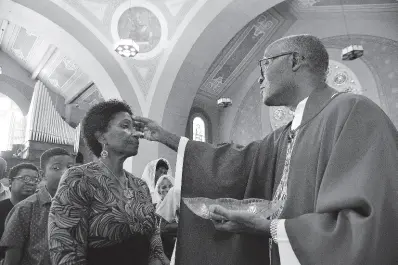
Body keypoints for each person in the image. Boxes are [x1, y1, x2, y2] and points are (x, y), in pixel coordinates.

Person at [133, 34, 398, 265]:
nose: (260, 78)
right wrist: (165, 137)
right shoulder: (286, 134)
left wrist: (271, 228)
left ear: (295, 61)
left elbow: (370, 226)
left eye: (266, 63)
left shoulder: (353, 113)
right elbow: (236, 162)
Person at [48, 100, 169, 265]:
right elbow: (66, 253)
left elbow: (154, 237)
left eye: (135, 127)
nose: (136, 134)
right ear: (101, 136)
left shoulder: (140, 185)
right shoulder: (78, 179)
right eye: (125, 126)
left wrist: (158, 258)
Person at [0, 148, 74, 265]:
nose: (65, 172)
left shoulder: (77, 206)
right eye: (56, 168)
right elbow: (11, 259)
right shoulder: (24, 208)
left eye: (70, 167)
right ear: (43, 174)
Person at [0, 163, 39, 260]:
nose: (31, 183)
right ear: (10, 182)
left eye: (35, 180)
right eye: (25, 178)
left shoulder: (41, 211)